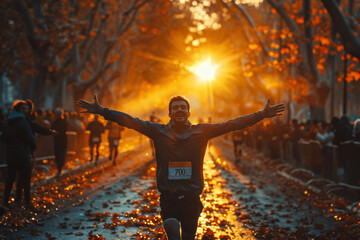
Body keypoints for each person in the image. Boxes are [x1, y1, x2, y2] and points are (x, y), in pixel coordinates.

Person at [77, 95, 285, 240]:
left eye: (182, 107)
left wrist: (260, 115)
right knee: (172, 232)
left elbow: (232, 124)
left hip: (192, 196)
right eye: (175, 108)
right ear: (169, 113)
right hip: (168, 194)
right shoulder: (157, 131)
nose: (178, 110)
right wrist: (103, 111)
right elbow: (130, 121)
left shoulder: (201, 132)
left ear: (188, 112)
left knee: (188, 236)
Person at [1, 100, 35, 208]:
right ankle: (23, 201)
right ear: (19, 110)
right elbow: (30, 138)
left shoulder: (8, 122)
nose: (25, 111)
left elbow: (4, 137)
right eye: (23, 109)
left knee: (10, 179)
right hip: (23, 154)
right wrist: (32, 148)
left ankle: (5, 201)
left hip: (11, 154)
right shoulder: (23, 122)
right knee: (24, 178)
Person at [51, 108, 67, 177]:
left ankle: (60, 168)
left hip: (60, 141)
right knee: (59, 155)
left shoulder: (61, 122)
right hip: (59, 141)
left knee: (60, 155)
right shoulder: (59, 122)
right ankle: (59, 168)